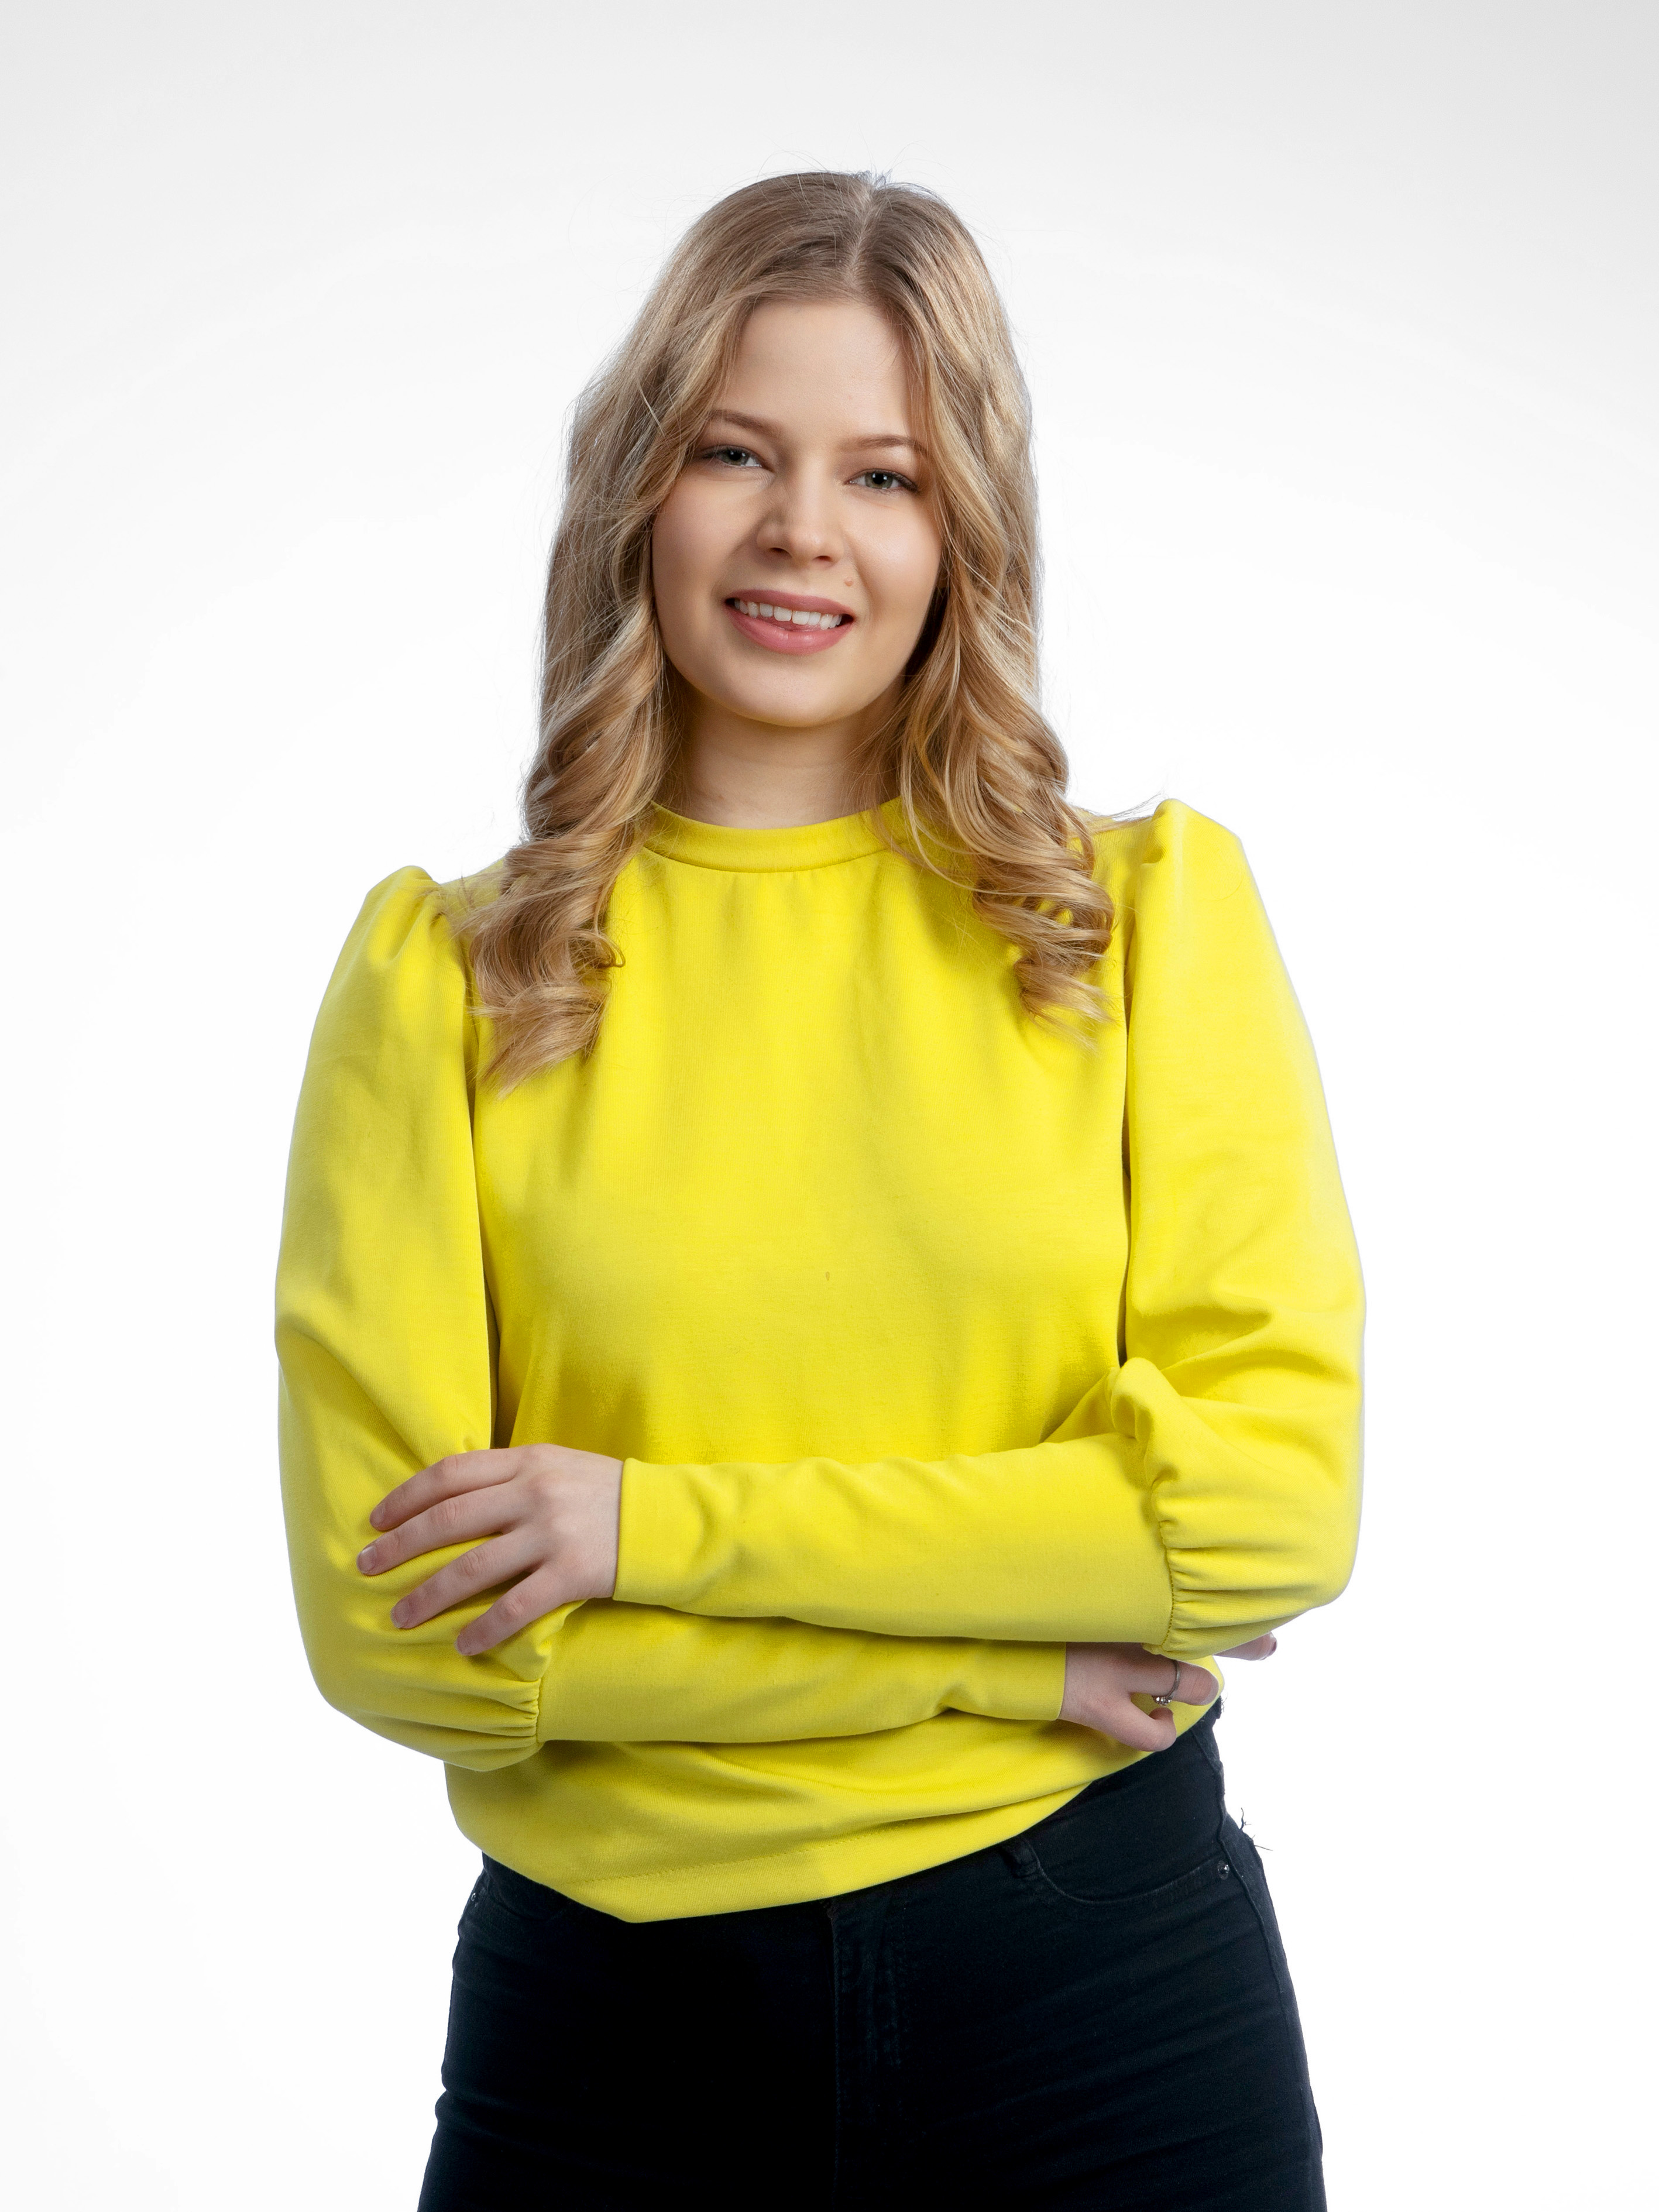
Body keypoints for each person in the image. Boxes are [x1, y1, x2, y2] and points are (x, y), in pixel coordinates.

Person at [277, 170, 1363, 2210]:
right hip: (611, 2030)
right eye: (735, 454)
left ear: (963, 532)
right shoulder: (448, 975)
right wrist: (988, 1660)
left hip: (1106, 2003)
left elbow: (1256, 1517)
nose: (803, 530)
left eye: (885, 474)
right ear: (639, 489)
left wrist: (633, 1529)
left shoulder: (1141, 923)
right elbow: (404, 1639)